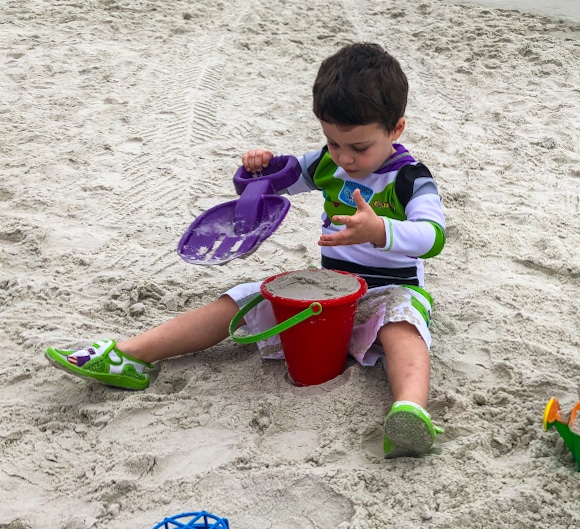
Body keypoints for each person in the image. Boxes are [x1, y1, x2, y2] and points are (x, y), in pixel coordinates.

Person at [45, 43, 447, 459]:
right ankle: (131, 357)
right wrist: (259, 169)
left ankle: (408, 411)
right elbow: (272, 187)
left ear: (395, 129)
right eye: (332, 142)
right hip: (330, 287)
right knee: (242, 299)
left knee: (403, 330)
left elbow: (432, 236)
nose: (344, 158)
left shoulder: (410, 178)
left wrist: (380, 229)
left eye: (359, 148)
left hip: (390, 289)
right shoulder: (328, 164)